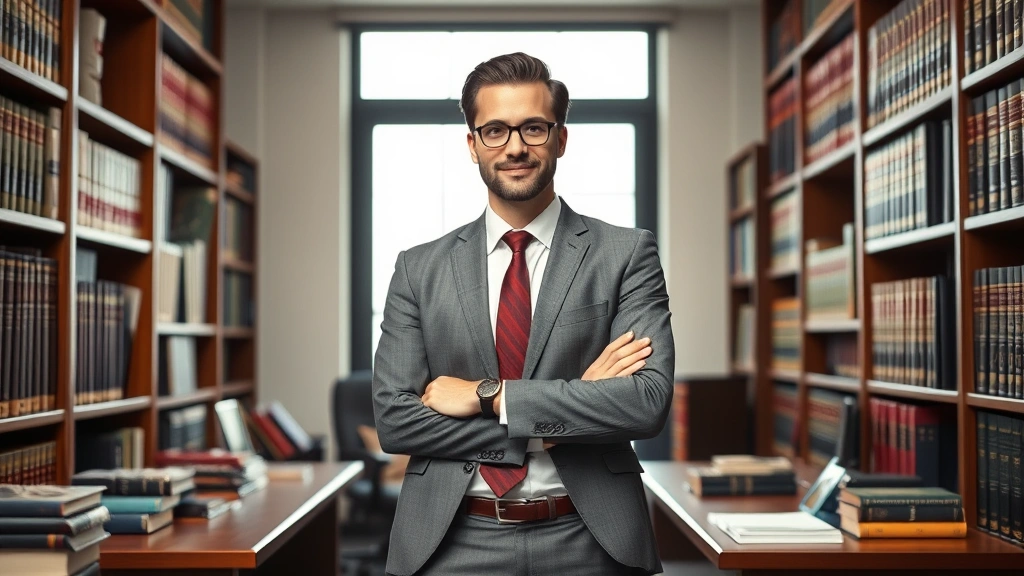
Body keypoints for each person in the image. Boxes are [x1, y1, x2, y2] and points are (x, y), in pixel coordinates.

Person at [371, 51, 674, 576]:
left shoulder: (626, 253)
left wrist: (488, 396)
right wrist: (566, 411)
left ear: (560, 137)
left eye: (533, 127)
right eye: (494, 130)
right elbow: (396, 423)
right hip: (450, 540)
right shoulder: (417, 268)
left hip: (590, 538)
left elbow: (645, 404)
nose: (515, 147)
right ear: (472, 144)